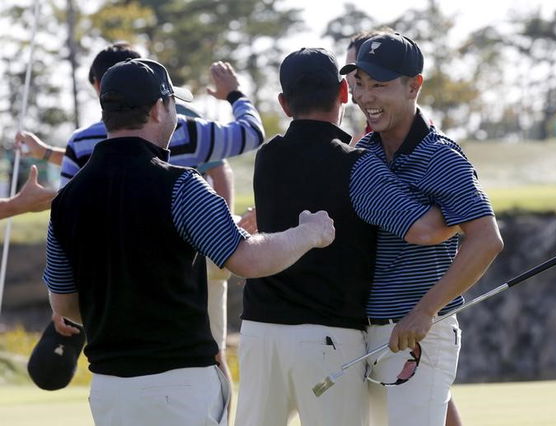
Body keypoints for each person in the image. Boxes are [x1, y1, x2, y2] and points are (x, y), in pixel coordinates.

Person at [43, 58, 335, 426]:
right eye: (172, 104)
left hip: (108, 390)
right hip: (180, 383)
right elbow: (247, 259)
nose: (176, 116)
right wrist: (308, 233)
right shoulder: (181, 185)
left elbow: (64, 301)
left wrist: (119, 317)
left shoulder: (66, 200)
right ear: (155, 109)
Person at [16, 42, 263, 384]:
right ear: (158, 103)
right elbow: (251, 133)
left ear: (102, 89)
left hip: (121, 270)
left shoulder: (81, 142)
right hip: (200, 256)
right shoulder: (191, 130)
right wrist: (235, 95)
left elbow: (70, 214)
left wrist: (67, 301)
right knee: (213, 354)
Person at [235, 47, 456, 426]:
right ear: (343, 92)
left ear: (284, 104)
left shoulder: (267, 154)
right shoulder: (356, 163)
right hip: (328, 335)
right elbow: (426, 230)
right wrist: (459, 213)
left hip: (259, 332)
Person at [340, 33, 504, 425]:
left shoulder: (440, 155)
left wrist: (426, 311)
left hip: (418, 337)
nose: (365, 96)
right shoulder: (364, 152)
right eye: (360, 83)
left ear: (415, 85)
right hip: (370, 335)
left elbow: (486, 239)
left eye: (379, 84)